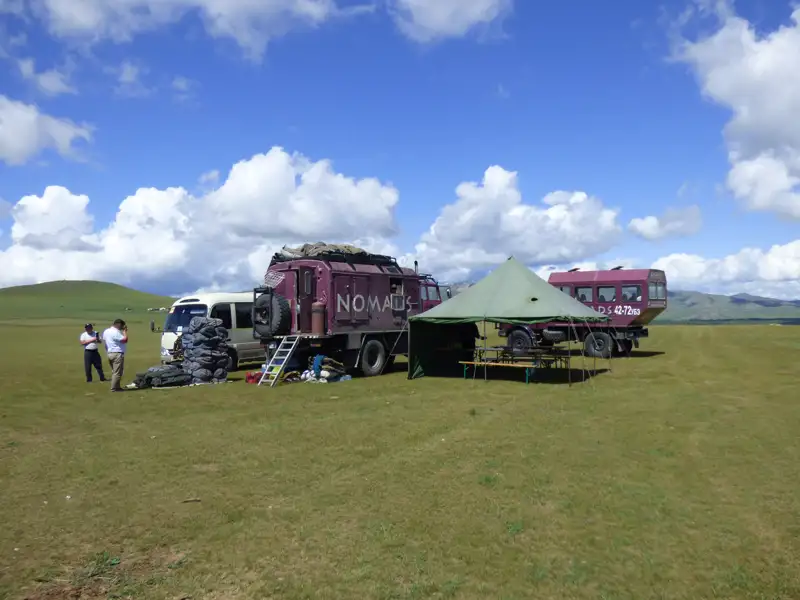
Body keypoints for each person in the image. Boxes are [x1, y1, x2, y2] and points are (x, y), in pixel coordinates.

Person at [102, 319, 129, 392]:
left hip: (110, 353)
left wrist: (108, 351)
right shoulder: (116, 332)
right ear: (118, 324)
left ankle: (117, 386)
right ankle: (114, 388)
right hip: (117, 353)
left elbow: (105, 343)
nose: (122, 327)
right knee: (117, 372)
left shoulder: (106, 331)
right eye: (122, 325)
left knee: (115, 371)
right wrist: (125, 332)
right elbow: (125, 340)